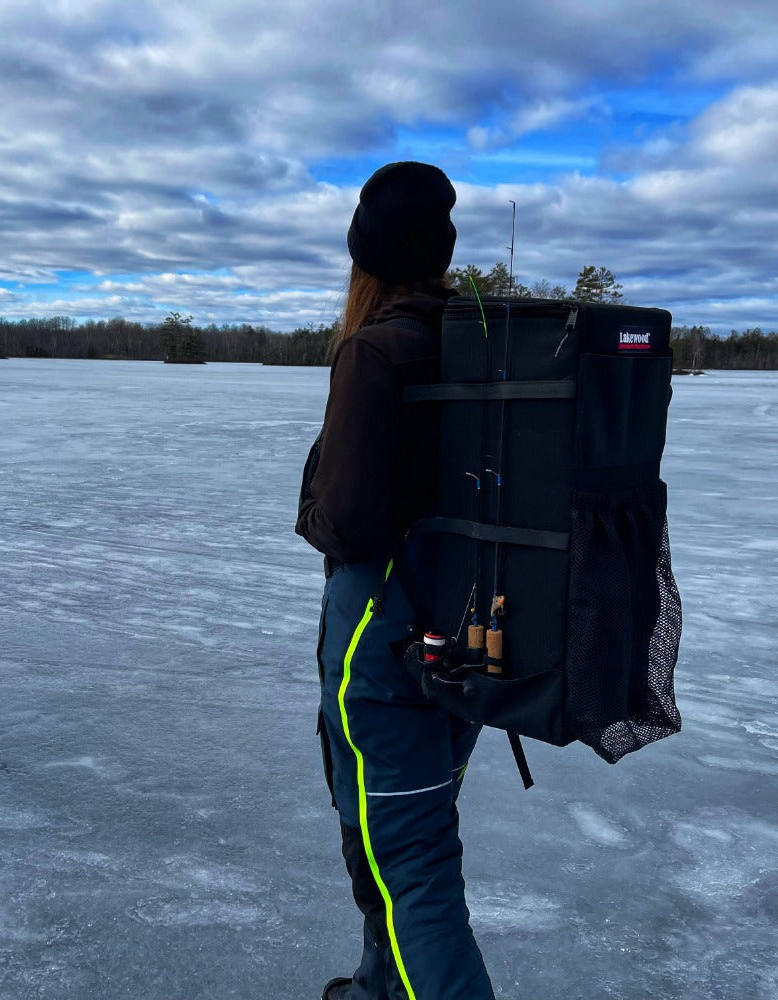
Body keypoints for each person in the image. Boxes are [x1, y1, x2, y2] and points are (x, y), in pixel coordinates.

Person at [296, 162, 497, 1000]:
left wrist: (309, 510)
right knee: (396, 831)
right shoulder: (486, 343)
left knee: (407, 860)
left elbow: (346, 522)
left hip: (383, 639)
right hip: (475, 630)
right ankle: (382, 985)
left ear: (366, 256)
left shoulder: (375, 350)